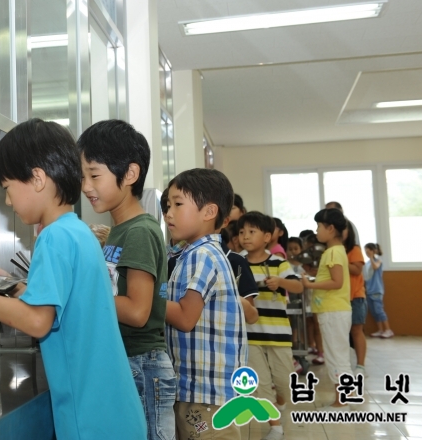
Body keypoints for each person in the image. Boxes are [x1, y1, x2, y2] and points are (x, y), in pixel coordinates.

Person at [0, 119, 146, 439]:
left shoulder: (54, 237)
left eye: (7, 188)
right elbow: (70, 303)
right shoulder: (78, 232)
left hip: (89, 419)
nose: (8, 201)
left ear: (37, 179)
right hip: (114, 411)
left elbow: (37, 321)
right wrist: (17, 286)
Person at [77, 120, 175, 440]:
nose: (86, 186)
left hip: (143, 363)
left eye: (94, 175)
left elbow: (136, 310)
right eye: (83, 176)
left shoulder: (139, 231)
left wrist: (81, 291)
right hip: (130, 360)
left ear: (130, 175)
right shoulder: (120, 231)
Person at [163, 169, 247, 440]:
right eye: (167, 206)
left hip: (204, 392)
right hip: (198, 389)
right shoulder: (193, 253)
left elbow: (186, 317)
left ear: (209, 212)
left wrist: (145, 303)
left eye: (177, 204)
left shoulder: (203, 255)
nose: (168, 213)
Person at [238, 212, 302, 440]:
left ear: (267, 237)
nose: (245, 236)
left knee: (285, 381)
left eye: (252, 232)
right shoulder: (238, 262)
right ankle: (275, 425)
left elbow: (298, 287)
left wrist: (281, 282)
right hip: (250, 335)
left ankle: (282, 400)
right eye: (242, 232)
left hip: (278, 334)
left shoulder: (278, 262)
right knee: (260, 383)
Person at [301, 208, 352, 410]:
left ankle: (342, 399)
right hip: (335, 310)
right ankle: (344, 395)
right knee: (338, 354)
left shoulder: (332, 252)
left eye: (319, 227)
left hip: (333, 311)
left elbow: (336, 282)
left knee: (336, 355)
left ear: (330, 229)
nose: (317, 231)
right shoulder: (337, 250)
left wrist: (310, 285)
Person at [343, 220, 367, 378]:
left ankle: (360, 365)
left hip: (356, 296)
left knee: (356, 330)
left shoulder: (354, 249)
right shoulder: (331, 250)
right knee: (343, 333)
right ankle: (345, 365)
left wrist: (339, 260)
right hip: (341, 297)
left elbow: (357, 269)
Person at [364, 243, 393, 338]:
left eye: (368, 251)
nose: (367, 253)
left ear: (373, 251)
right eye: (366, 251)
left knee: (379, 310)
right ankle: (380, 330)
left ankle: (388, 330)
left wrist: (372, 257)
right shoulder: (367, 263)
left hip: (377, 290)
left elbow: (375, 267)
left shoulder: (378, 261)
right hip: (369, 290)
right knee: (373, 311)